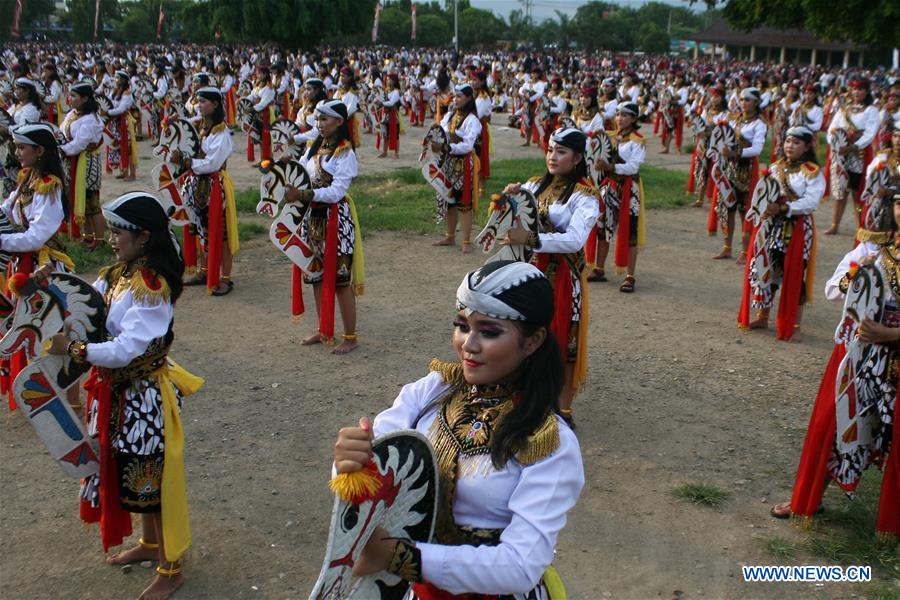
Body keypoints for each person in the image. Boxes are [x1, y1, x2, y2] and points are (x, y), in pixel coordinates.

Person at [333, 260, 584, 597]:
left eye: (489, 331)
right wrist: (351, 461)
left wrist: (397, 556)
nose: (468, 344)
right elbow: (379, 467)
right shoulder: (431, 391)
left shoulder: (549, 442)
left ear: (533, 341)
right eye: (462, 326)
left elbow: (521, 565)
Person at [44, 191, 203, 600]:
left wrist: (76, 350)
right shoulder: (119, 274)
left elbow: (126, 348)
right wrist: (52, 285)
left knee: (152, 479)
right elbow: (86, 297)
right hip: (119, 393)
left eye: (118, 232)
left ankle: (172, 568)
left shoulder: (152, 286)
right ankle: (151, 546)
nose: (112, 239)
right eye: (112, 231)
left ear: (144, 237)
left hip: (144, 397)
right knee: (135, 475)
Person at [769, 188, 898, 543]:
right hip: (859, 355)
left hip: (894, 355)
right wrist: (859, 276)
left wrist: (889, 333)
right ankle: (810, 499)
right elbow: (833, 289)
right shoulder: (872, 249)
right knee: (834, 424)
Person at [504, 127, 599, 421]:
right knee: (526, 333)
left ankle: (563, 408)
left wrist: (530, 239)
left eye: (561, 152)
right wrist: (509, 199)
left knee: (564, 341)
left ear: (578, 157)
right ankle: (525, 396)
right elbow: (517, 215)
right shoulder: (534, 185)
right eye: (550, 150)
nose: (552, 157)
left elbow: (574, 240)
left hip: (564, 277)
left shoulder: (585, 196)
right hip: (533, 271)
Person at [0, 123, 74, 408]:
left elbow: (37, 236)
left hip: (44, 265)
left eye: (22, 147)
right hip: (22, 262)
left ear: (40, 150)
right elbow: (7, 210)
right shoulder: (27, 178)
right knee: (26, 326)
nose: (17, 152)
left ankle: (60, 394)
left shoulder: (48, 186)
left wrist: (2, 240)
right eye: (16, 146)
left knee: (53, 327)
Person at [284, 100, 365, 355]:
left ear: (339, 122)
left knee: (341, 280)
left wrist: (304, 194)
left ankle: (350, 336)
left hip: (336, 220)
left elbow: (337, 191)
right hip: (312, 219)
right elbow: (303, 175)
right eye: (317, 119)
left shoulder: (345, 153)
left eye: (324, 119)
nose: (319, 124)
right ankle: (323, 328)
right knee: (315, 275)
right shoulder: (312, 148)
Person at [738, 126, 824, 341]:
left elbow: (811, 202)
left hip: (796, 229)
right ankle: (763, 315)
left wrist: (785, 208)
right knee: (767, 267)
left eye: (796, 143)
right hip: (771, 226)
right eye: (787, 141)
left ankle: (794, 325)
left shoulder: (811, 171)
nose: (790, 146)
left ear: (806, 147)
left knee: (795, 274)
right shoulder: (776, 168)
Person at [171, 87, 239, 297]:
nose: (199, 105)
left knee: (222, 232)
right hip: (197, 183)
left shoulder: (222, 133)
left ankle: (226, 278)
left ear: (215, 104)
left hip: (214, 185)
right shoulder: (202, 126)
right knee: (200, 229)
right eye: (198, 101)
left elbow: (212, 163)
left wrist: (187, 161)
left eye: (203, 101)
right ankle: (204, 270)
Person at [591, 103, 647, 292]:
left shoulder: (638, 141)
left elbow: (633, 167)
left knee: (630, 231)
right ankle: (599, 269)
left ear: (633, 119)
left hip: (629, 190)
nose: (619, 118)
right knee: (602, 227)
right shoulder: (609, 137)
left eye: (625, 115)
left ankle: (630, 276)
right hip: (609, 187)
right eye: (618, 115)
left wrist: (611, 167)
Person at [713, 87, 767, 263]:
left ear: (756, 103)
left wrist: (735, 152)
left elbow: (757, 149)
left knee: (746, 210)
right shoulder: (732, 119)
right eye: (742, 99)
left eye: (748, 100)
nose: (743, 103)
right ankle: (727, 247)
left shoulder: (759, 124)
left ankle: (745, 251)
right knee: (727, 207)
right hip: (729, 167)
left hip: (747, 169)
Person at [825, 77, 880, 235]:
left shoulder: (871, 110)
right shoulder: (843, 109)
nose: (856, 92)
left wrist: (852, 147)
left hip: (858, 154)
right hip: (840, 154)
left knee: (858, 191)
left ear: (866, 91)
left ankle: (860, 226)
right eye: (854, 89)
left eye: (860, 89)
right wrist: (835, 145)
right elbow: (832, 129)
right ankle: (835, 224)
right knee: (840, 191)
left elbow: (870, 133)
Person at [432, 83, 482, 253]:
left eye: (460, 96)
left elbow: (468, 145)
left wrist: (447, 146)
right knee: (449, 200)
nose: (456, 99)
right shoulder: (449, 115)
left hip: (464, 164)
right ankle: (450, 236)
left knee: (464, 202)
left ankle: (466, 241)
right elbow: (443, 131)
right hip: (448, 163)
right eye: (455, 96)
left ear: (468, 98)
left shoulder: (472, 120)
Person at [59, 82, 105, 247]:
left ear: (85, 98)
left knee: (92, 202)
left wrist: (62, 149)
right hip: (75, 161)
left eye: (73, 96)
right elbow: (62, 131)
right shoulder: (72, 114)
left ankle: (99, 240)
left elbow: (80, 144)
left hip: (87, 162)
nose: (70, 99)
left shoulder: (90, 119)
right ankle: (88, 236)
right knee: (82, 201)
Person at [106, 70, 138, 182]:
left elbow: (121, 109)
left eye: (118, 78)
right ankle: (123, 170)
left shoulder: (127, 92)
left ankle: (132, 174)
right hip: (116, 122)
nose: (116, 80)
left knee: (129, 147)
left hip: (125, 122)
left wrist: (107, 112)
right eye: (115, 78)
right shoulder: (115, 91)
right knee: (119, 147)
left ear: (123, 80)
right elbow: (109, 102)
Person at [376, 73, 401, 159]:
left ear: (394, 81)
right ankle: (384, 152)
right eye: (387, 79)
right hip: (385, 115)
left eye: (389, 79)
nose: (387, 81)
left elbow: (391, 103)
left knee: (395, 135)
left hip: (393, 116)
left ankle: (396, 153)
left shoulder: (396, 92)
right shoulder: (385, 91)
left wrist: (381, 103)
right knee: (385, 134)